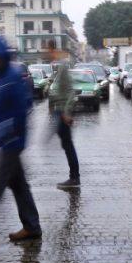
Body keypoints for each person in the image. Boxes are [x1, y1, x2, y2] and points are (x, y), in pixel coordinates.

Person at [0, 37, 42, 241]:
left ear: (0, 56)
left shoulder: (11, 76)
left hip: (13, 141)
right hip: (6, 140)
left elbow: (22, 108)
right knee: (18, 183)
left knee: (5, 181)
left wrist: (11, 133)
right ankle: (31, 226)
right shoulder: (2, 76)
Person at [48, 40, 80, 188]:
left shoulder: (62, 67)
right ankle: (74, 177)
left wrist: (67, 113)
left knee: (68, 145)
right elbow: (59, 92)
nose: (47, 54)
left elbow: (70, 92)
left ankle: (74, 178)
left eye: (48, 51)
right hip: (59, 111)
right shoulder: (58, 68)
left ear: (53, 50)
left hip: (63, 113)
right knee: (67, 145)